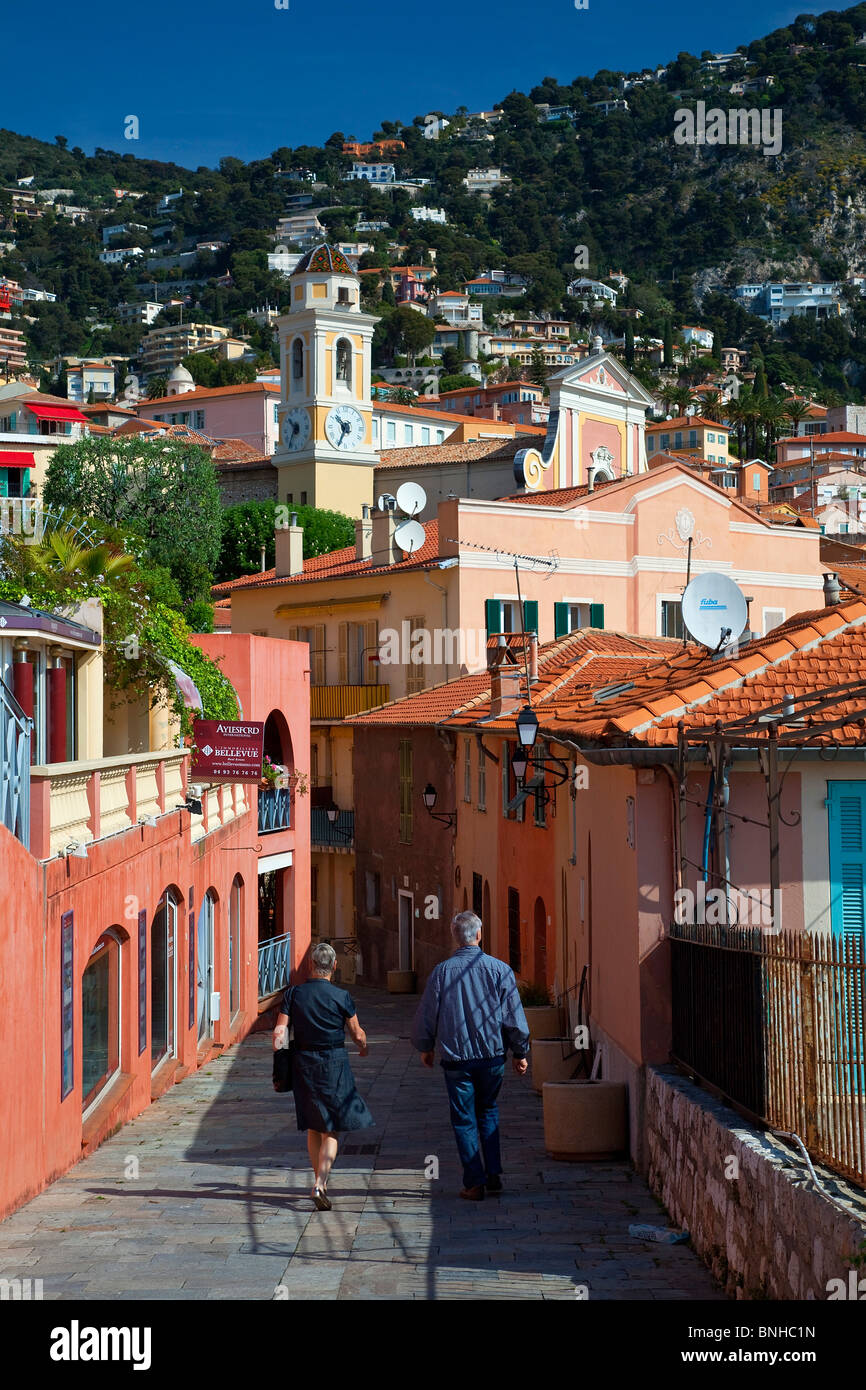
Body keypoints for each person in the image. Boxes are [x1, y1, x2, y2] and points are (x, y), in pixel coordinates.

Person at [410, 911, 530, 1201]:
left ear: (455, 937)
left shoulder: (441, 972)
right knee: (487, 1110)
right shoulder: (500, 970)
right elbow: (514, 1016)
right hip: (492, 1058)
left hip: (457, 1059)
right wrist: (520, 1051)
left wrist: (425, 1047)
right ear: (479, 935)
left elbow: (427, 1014)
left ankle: (474, 1182)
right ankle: (493, 1175)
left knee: (464, 1118)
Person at [273, 942, 373, 1210]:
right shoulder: (342, 996)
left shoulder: (294, 994)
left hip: (303, 1063)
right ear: (335, 967)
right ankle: (320, 1183)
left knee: (313, 1124)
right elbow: (357, 1033)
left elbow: (279, 1033)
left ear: (310, 966)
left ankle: (320, 1181)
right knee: (332, 1127)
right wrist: (363, 1049)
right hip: (334, 1064)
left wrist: (281, 1060)